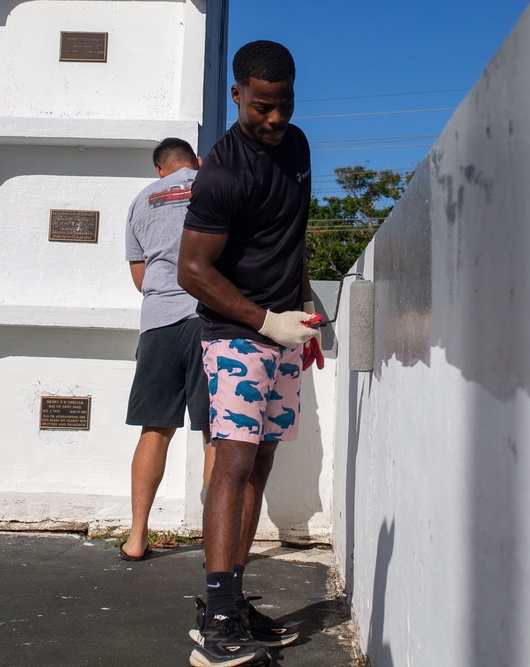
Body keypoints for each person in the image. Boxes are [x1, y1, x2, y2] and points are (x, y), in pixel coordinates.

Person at [177, 40, 323, 667]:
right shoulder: (223, 171)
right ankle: (214, 625)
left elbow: (290, 234)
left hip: (286, 328)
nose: (275, 119)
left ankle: (232, 602)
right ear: (236, 95)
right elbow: (192, 269)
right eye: (262, 106)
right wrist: (265, 319)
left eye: (284, 105)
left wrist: (304, 302)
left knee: (260, 465)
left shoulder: (298, 148)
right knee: (232, 464)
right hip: (236, 332)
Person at [120, 138, 214, 561]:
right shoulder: (212, 184)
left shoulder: (140, 201)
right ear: (194, 161)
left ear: (160, 170)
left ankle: (137, 538)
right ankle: (218, 540)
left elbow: (141, 279)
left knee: (154, 430)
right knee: (217, 433)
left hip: (157, 324)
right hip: (207, 317)